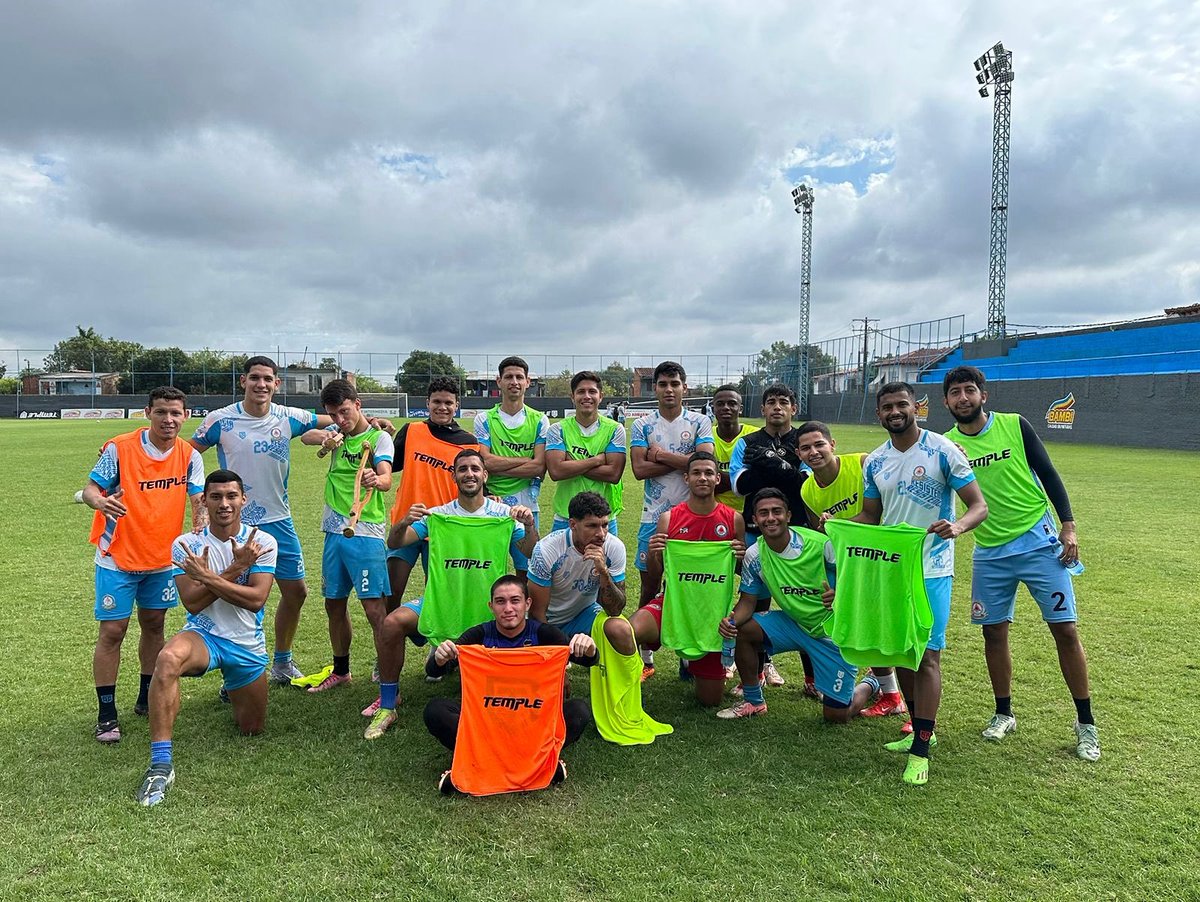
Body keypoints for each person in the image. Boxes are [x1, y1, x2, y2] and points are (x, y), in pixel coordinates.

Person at [942, 365, 1100, 761]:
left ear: (983, 395)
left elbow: (1048, 474)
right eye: (955, 392)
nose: (963, 398)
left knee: (1065, 632)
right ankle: (1003, 713)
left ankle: (1086, 725)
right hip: (989, 553)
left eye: (969, 390)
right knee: (993, 635)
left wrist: (1069, 526)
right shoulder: (944, 444)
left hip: (1039, 543)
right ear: (946, 402)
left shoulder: (1015, 425)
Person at [853, 381, 988, 785]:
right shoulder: (874, 462)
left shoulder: (942, 450)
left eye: (902, 404)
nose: (895, 411)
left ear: (916, 408)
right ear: (878, 415)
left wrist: (958, 526)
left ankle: (921, 748)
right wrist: (835, 527)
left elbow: (978, 505)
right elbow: (871, 518)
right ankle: (915, 726)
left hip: (932, 568)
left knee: (927, 655)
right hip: (891, 569)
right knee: (902, 652)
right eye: (887, 407)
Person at [364, 449, 537, 738]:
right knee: (392, 623)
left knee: (482, 684)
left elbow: (530, 551)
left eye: (474, 469)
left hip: (484, 609)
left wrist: (529, 525)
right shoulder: (438, 516)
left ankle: (459, 666)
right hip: (439, 602)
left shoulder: (503, 516)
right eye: (463, 469)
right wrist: (405, 521)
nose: (469, 474)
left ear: (485, 475)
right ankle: (389, 704)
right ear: (454, 475)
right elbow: (396, 541)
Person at [135, 470, 277, 807]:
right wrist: (232, 570)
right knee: (167, 659)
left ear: (243, 499)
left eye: (231, 496)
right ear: (205, 501)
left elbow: (255, 599)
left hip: (246, 644)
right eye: (216, 497)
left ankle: (233, 685)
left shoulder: (262, 542)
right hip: (205, 634)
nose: (224, 504)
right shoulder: (188, 544)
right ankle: (160, 763)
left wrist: (208, 575)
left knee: (251, 730)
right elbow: (193, 602)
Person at [82, 386, 206, 744]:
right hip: (117, 557)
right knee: (112, 632)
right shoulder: (119, 449)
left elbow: (197, 499)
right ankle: (106, 713)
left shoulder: (188, 455)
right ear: (148, 412)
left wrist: (198, 531)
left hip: (162, 559)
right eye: (161, 412)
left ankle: (145, 697)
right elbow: (91, 488)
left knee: (154, 625)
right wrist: (100, 503)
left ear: (185, 416)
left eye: (176, 413)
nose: (169, 420)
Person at [191, 356, 324, 685]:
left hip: (280, 521)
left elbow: (335, 417)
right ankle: (235, 674)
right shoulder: (220, 420)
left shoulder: (288, 416)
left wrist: (369, 421)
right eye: (254, 378)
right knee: (240, 597)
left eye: (268, 379)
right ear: (243, 381)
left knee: (296, 593)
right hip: (236, 526)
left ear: (277, 384)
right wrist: (197, 497)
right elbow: (186, 453)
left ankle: (281, 662)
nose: (261, 384)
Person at [716, 488, 881, 723]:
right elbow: (747, 601)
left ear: (789, 516)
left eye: (777, 511)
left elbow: (860, 579)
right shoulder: (755, 554)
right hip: (793, 624)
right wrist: (731, 621)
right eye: (763, 513)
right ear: (755, 519)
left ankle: (871, 682)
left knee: (837, 716)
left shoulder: (821, 544)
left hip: (831, 633)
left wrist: (840, 596)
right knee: (743, 629)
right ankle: (753, 700)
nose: (770, 518)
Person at [423, 575, 598, 794]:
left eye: (515, 600)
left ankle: (484, 765)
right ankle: (539, 765)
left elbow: (588, 658)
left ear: (527, 604)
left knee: (578, 711)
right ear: (491, 606)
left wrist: (588, 647)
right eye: (500, 601)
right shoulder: (478, 636)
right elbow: (434, 669)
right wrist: (440, 657)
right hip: (486, 722)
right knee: (436, 710)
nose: (508, 608)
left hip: (533, 721)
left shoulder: (544, 634)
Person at [798, 420, 906, 719]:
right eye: (806, 448)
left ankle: (906, 701)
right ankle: (891, 695)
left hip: (884, 557)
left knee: (890, 630)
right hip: (849, 566)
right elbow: (822, 535)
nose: (814, 452)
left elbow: (898, 474)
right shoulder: (808, 490)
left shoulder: (861, 462)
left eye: (819, 444)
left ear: (832, 445)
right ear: (799, 453)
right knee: (864, 630)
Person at [628, 452, 746, 706]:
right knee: (628, 631)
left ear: (717, 479)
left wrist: (740, 557)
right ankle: (624, 682)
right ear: (686, 478)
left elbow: (742, 571)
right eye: (696, 473)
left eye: (708, 473)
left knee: (709, 701)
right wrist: (654, 553)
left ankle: (700, 661)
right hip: (673, 602)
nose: (702, 478)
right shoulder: (669, 519)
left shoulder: (734, 519)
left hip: (712, 613)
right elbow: (656, 572)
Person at [300, 379, 394, 693]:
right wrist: (326, 440)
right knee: (333, 604)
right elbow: (306, 436)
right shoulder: (337, 434)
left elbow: (385, 478)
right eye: (333, 414)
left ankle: (387, 672)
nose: (341, 419)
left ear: (358, 404)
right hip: (333, 532)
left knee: (373, 609)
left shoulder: (379, 437)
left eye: (344, 411)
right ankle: (341, 670)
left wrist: (375, 479)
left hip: (365, 532)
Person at [629, 361, 714, 677]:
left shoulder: (700, 421)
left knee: (689, 588)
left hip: (694, 517)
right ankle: (645, 661)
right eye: (663, 384)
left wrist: (660, 455)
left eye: (674, 383)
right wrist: (687, 461)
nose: (668, 389)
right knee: (649, 585)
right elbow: (639, 470)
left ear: (684, 388)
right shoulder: (642, 425)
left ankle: (687, 657)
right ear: (656, 388)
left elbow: (705, 464)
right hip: (653, 516)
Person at [729, 382, 814, 692]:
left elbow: (805, 484)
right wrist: (784, 468)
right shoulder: (746, 442)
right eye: (771, 402)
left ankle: (812, 678)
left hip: (800, 530)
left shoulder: (805, 439)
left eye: (784, 401)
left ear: (794, 408)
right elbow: (740, 485)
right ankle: (761, 668)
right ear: (762, 409)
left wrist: (767, 461)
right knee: (757, 599)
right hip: (756, 530)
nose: (777, 407)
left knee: (806, 602)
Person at [386, 377, 478, 611]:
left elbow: (472, 483)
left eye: (448, 402)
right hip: (406, 523)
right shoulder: (412, 431)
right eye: (437, 401)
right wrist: (380, 438)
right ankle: (389, 641)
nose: (442, 407)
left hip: (442, 527)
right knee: (390, 594)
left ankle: (435, 648)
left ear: (457, 405)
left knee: (437, 596)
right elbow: (387, 464)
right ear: (427, 403)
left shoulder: (468, 443)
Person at [473, 356, 549, 576]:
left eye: (519, 377)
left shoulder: (539, 420)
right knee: (484, 570)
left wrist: (498, 464)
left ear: (528, 382)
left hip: (527, 507)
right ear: (499, 381)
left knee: (526, 570)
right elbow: (485, 462)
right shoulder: (484, 419)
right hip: (490, 504)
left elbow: (539, 468)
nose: (514, 381)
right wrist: (528, 461)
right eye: (508, 377)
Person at [528, 491, 627, 647]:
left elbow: (615, 610)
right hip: (549, 622)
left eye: (605, 525)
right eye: (592, 526)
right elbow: (536, 613)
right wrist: (557, 646)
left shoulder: (614, 548)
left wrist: (603, 572)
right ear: (573, 524)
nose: (601, 534)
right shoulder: (547, 550)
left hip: (584, 615)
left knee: (620, 628)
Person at [545, 371, 627, 536]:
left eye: (592, 391)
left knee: (602, 562)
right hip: (566, 517)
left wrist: (571, 462)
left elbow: (613, 474)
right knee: (563, 562)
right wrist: (597, 460)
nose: (587, 396)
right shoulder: (557, 429)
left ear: (601, 396)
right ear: (572, 397)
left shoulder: (615, 429)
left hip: (603, 519)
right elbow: (556, 472)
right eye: (581, 392)